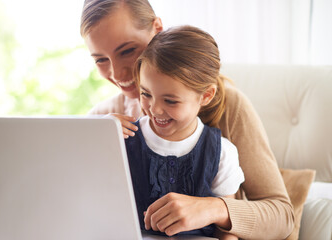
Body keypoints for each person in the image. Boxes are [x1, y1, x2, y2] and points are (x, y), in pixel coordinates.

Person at [80, 0, 294, 239]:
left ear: (157, 29)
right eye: (100, 59)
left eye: (128, 50)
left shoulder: (229, 107)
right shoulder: (103, 119)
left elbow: (283, 217)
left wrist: (214, 208)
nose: (118, 74)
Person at [125, 25, 244, 239]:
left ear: (206, 96)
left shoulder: (221, 152)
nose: (154, 109)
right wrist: (105, 133)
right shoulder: (124, 139)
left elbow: (227, 230)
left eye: (170, 100)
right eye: (146, 93)